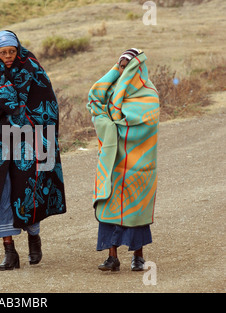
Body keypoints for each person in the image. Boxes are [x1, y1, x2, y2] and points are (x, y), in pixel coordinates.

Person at [0, 30, 67, 271]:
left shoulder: (32, 70)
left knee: (28, 191)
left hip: (30, 143)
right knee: (2, 192)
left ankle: (33, 237)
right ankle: (9, 251)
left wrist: (19, 114)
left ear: (18, 50)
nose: (7, 56)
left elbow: (48, 108)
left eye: (11, 51)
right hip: (0, 144)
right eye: (2, 52)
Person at [86, 48, 159, 271]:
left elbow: (142, 124)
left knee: (136, 212)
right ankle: (112, 257)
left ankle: (138, 257)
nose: (124, 69)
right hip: (113, 165)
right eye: (121, 64)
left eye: (128, 65)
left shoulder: (148, 94)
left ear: (137, 68)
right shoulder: (113, 90)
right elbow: (94, 100)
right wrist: (114, 72)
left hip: (139, 165)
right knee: (109, 209)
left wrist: (111, 120)